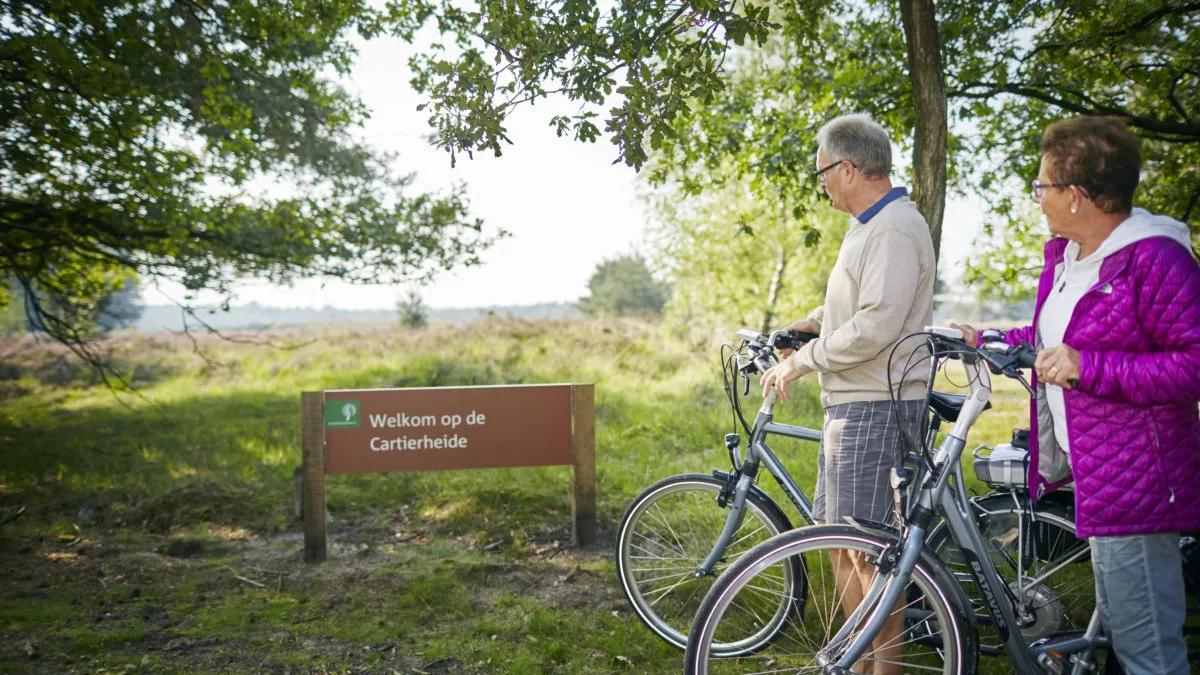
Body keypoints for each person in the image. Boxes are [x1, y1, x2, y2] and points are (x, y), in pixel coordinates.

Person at [954, 116, 1200, 675]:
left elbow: (1193, 362)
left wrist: (1091, 368)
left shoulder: (1154, 258)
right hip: (1100, 474)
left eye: (1043, 186)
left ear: (1078, 195)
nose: (1037, 198)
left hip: (1140, 481)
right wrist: (985, 338)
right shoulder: (1071, 261)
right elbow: (1050, 341)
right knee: (1125, 635)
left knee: (1148, 653)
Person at [760, 113, 936, 675]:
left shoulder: (894, 228)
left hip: (876, 406)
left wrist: (803, 363)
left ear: (849, 167)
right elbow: (853, 308)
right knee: (839, 544)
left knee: (870, 556)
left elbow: (877, 326)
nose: (821, 185)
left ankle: (879, 671)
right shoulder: (869, 226)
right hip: (852, 405)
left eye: (822, 174)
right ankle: (854, 666)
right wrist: (807, 325)